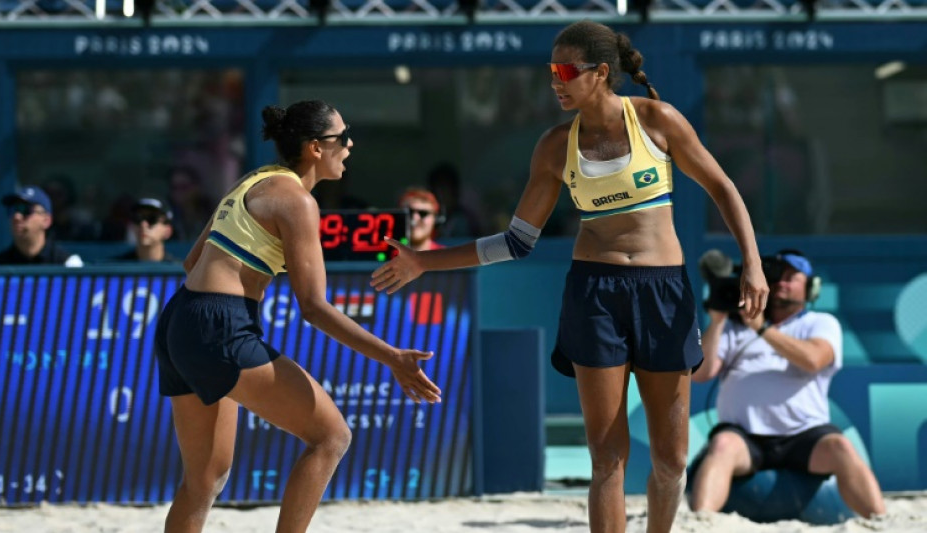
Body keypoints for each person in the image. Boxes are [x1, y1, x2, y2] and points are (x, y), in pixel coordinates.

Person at [371, 20, 768, 533]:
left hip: (663, 292)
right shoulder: (556, 146)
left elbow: (724, 188)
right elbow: (515, 242)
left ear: (601, 73)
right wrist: (426, 260)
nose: (554, 82)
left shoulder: (657, 119)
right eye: (550, 72)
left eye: (564, 71)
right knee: (606, 457)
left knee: (671, 463)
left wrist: (752, 263)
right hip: (595, 294)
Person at [154, 100, 441, 533]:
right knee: (331, 437)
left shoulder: (254, 179)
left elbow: (191, 260)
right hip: (221, 325)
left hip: (180, 318)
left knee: (204, 480)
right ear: (314, 148)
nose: (349, 144)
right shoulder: (298, 203)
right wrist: (392, 356)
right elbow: (314, 308)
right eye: (341, 138)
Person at [689, 250, 885, 518]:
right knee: (722, 445)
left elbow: (814, 360)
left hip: (803, 435)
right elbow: (701, 374)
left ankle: (880, 521)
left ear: (811, 287)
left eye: (791, 277)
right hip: (745, 437)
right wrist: (717, 321)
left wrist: (762, 330)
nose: (781, 283)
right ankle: (701, 522)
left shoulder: (821, 323)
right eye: (775, 277)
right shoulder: (736, 327)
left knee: (841, 447)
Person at [0, 186, 84, 267]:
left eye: (25, 210)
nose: (17, 216)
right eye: (12, 210)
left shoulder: (68, 265)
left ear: (46, 220)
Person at [111, 198, 179, 263]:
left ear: (167, 231)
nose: (143, 224)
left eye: (152, 219)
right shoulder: (115, 270)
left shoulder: (180, 272)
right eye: (138, 218)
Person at [398, 187, 445, 251]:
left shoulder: (446, 257)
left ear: (435, 219)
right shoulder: (387, 257)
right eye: (409, 212)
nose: (415, 218)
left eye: (423, 213)